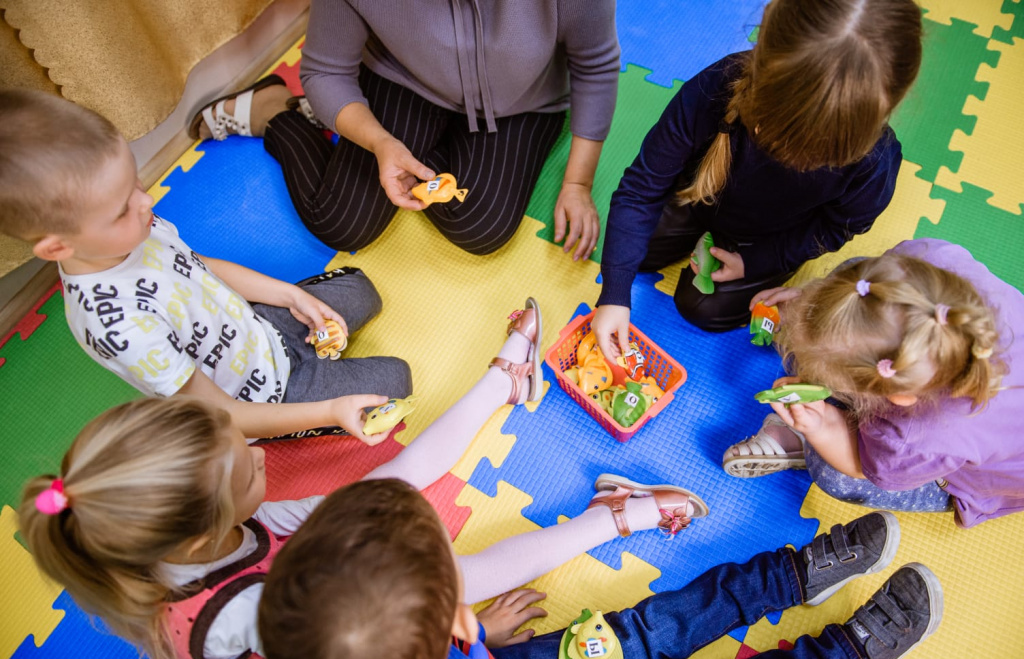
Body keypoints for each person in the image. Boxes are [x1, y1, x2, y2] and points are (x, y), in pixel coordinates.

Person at [19, 298, 709, 659]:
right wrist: (450, 629)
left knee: (387, 484)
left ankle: (501, 380)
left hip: (286, 570)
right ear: (205, 531)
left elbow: (370, 492)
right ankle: (610, 517)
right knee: (450, 576)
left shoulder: (171, 532)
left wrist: (327, 415)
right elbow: (362, 647)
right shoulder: (245, 610)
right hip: (329, 649)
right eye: (247, 461)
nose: (261, 452)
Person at [0, 88, 411, 441]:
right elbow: (223, 415)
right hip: (265, 396)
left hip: (260, 328)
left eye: (136, 184)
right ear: (56, 248)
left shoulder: (135, 223)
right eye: (120, 209)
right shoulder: (118, 326)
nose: (145, 203)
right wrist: (328, 413)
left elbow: (198, 267)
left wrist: (291, 296)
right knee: (397, 379)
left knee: (361, 290)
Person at [259, 478, 943, 659]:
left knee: (651, 626)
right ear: (454, 617)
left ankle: (789, 576)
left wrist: (476, 648)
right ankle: (843, 658)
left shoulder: (359, 656)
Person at [592, 0, 922, 351]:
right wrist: (613, 294)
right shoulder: (717, 87)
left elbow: (833, 228)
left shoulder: (874, 162)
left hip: (767, 237)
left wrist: (758, 260)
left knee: (702, 308)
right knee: (628, 253)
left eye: (817, 155)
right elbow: (642, 188)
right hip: (699, 194)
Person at [190, 0, 619, 260]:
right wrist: (379, 141)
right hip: (406, 79)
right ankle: (275, 112)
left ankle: (364, 126)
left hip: (522, 98)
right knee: (342, 223)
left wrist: (578, 183)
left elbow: (596, 66)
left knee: (481, 227)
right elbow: (325, 69)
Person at [722, 239, 1024, 528]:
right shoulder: (930, 257)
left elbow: (860, 468)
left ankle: (801, 444)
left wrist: (820, 426)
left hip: (970, 478)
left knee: (833, 476)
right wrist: (814, 303)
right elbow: (873, 301)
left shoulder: (915, 438)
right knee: (856, 270)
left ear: (899, 396)